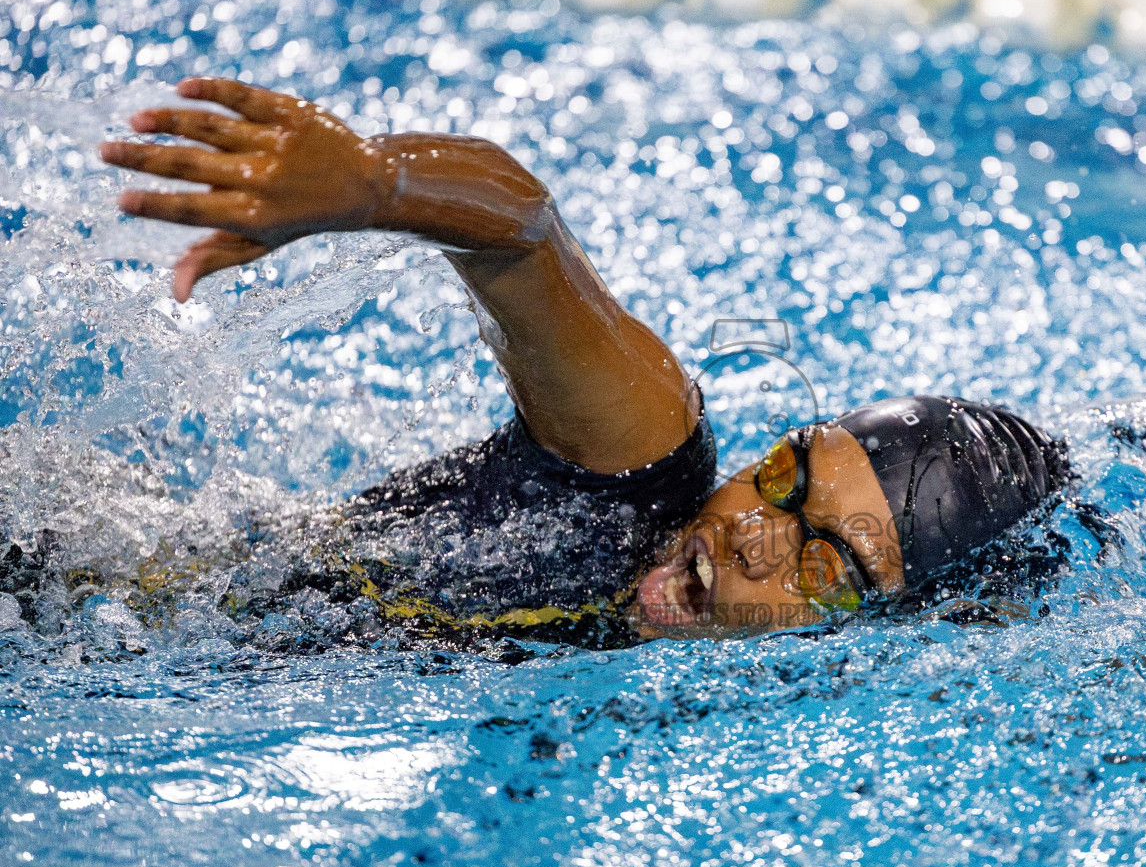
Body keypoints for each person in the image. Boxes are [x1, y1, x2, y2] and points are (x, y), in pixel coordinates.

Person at [93, 77, 1069, 646]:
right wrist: (372, 178)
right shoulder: (634, 473)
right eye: (778, 479)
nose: (753, 537)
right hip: (96, 591)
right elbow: (523, 234)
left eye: (823, 562)